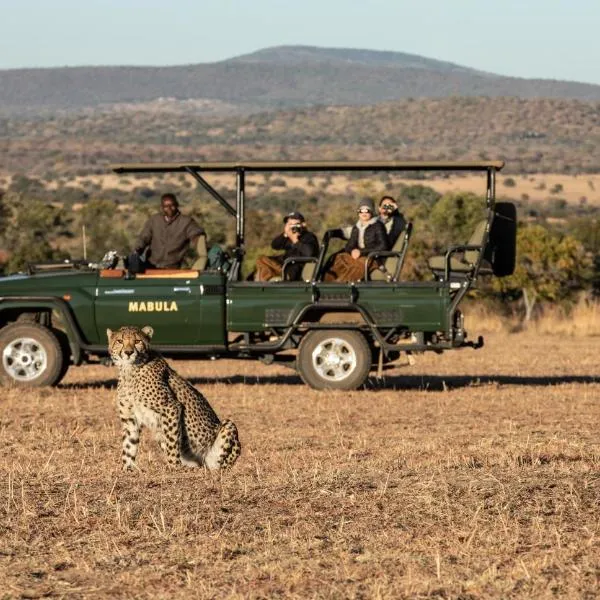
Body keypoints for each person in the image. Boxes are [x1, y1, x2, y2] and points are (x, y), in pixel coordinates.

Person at [133, 193, 205, 270]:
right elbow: (143, 238)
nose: (169, 208)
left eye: (172, 205)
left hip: (172, 267)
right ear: (162, 207)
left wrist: (200, 246)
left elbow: (196, 234)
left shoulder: (186, 222)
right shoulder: (154, 220)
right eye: (166, 206)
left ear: (177, 205)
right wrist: (137, 250)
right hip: (151, 265)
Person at [325, 200, 388, 282]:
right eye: (361, 210)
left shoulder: (378, 226)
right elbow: (349, 245)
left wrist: (361, 252)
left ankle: (342, 285)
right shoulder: (356, 227)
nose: (364, 213)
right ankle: (325, 283)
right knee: (338, 258)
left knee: (358, 265)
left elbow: (383, 246)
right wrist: (352, 251)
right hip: (358, 256)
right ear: (358, 213)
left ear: (372, 212)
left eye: (367, 210)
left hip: (372, 257)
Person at [255, 211, 319, 281]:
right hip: (284, 263)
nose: (293, 227)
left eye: (296, 224)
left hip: (295, 266)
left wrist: (295, 240)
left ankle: (282, 275)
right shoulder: (288, 236)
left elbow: (309, 253)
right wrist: (285, 234)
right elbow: (275, 245)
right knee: (261, 259)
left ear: (303, 224)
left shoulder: (309, 237)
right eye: (290, 224)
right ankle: (269, 277)